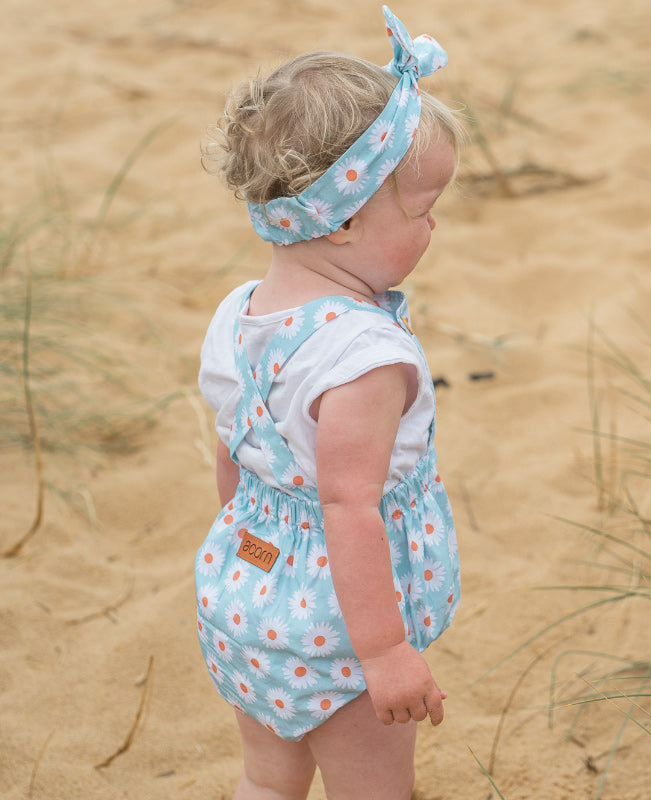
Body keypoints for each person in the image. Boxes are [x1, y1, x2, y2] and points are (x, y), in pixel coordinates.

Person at [194, 6, 463, 798]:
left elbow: (233, 449)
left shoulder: (240, 313)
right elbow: (349, 507)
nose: (435, 224)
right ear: (341, 220)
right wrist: (383, 652)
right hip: (338, 628)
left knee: (268, 779)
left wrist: (255, 553)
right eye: (421, 208)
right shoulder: (362, 359)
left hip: (243, 592)